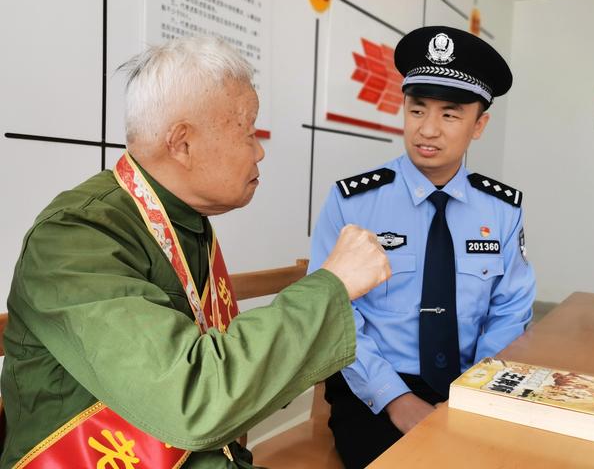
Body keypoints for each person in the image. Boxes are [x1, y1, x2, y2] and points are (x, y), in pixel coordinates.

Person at [0, 37, 390, 468]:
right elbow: (192, 399)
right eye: (248, 132)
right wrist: (332, 286)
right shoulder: (76, 236)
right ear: (182, 144)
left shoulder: (184, 220)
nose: (260, 150)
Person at [309, 25, 536, 468]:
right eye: (417, 110)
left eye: (450, 115)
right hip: (373, 387)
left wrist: (474, 393)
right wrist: (395, 398)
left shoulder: (503, 209)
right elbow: (333, 312)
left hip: (472, 381)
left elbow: (511, 311)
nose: (427, 130)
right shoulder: (353, 201)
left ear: (479, 125)